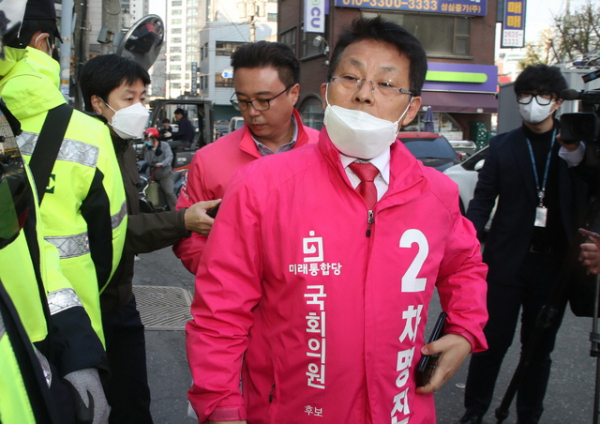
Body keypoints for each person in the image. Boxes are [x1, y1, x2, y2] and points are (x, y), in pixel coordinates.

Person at [186, 17, 488, 424]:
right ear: (327, 92)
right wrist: (221, 405)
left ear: (412, 107)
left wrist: (465, 330)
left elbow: (466, 266)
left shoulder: (437, 193)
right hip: (292, 411)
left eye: (386, 84)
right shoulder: (262, 186)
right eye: (351, 77)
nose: (364, 95)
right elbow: (220, 309)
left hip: (400, 410)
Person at [1, 0, 126, 422]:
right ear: (43, 43)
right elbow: (111, 237)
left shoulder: (6, 123)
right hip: (71, 321)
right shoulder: (89, 132)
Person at [79, 53, 219, 424]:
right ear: (98, 102)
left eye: (144, 97)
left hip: (120, 298)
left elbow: (132, 214)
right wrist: (183, 221)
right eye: (130, 98)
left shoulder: (122, 145)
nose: (141, 108)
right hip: (90, 304)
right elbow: (116, 233)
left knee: (133, 403)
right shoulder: (88, 151)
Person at [459, 64, 589, 424]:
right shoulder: (503, 145)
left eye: (544, 96)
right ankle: (475, 410)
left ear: (558, 101)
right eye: (527, 97)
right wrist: (467, 241)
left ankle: (529, 415)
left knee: (538, 350)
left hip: (554, 265)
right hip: (505, 262)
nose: (535, 103)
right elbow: (483, 200)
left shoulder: (574, 144)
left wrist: (578, 157)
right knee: (491, 344)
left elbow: (586, 195)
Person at [174, 40, 320, 274]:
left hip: (314, 298)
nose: (252, 112)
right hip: (238, 302)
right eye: (243, 101)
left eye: (264, 100)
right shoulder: (208, 160)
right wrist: (230, 275)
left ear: (293, 94)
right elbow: (188, 239)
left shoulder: (328, 152)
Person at [143, 127, 178, 210]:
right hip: (153, 176)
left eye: (148, 139)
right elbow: (146, 163)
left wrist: (162, 163)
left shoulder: (165, 145)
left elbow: (169, 157)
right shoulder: (147, 149)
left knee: (169, 192)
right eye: (146, 139)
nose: (147, 141)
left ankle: (177, 210)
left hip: (165, 174)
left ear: (154, 138)